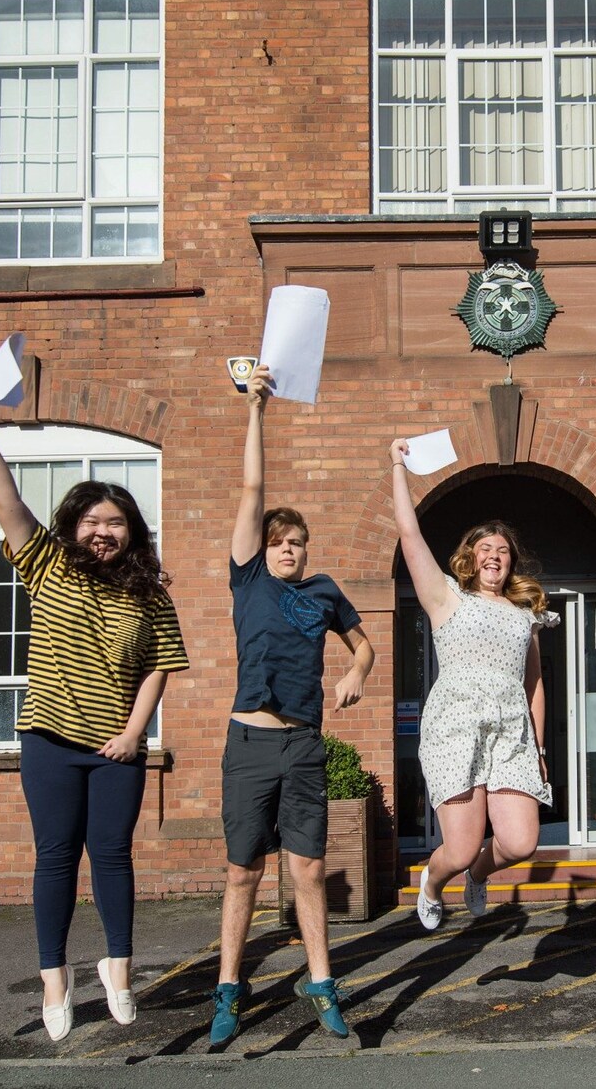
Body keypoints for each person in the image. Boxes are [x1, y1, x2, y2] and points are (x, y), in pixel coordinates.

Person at [0, 384, 188, 1041]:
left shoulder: (151, 592)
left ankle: (118, 968)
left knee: (112, 853)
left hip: (118, 745)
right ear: (74, 526)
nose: (103, 531)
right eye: (92, 521)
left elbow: (161, 663)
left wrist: (134, 732)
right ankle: (55, 978)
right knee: (56, 855)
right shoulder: (48, 565)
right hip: (50, 739)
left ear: (131, 530)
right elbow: (6, 498)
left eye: (115, 522)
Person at [209, 366, 374, 1047]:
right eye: (278, 538)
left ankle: (323, 984)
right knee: (244, 871)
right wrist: (256, 409)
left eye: (296, 540)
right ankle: (228, 989)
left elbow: (364, 647)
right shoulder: (248, 578)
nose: (286, 546)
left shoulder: (325, 590)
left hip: (303, 744)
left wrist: (354, 672)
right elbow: (254, 489)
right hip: (249, 743)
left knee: (306, 869)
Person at [390, 437, 552, 932]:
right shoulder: (446, 598)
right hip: (454, 729)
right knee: (458, 848)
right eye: (486, 548)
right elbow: (409, 533)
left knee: (521, 842)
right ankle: (435, 882)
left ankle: (479, 877)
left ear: (511, 562)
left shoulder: (525, 615)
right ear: (470, 557)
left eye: (503, 551)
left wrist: (539, 748)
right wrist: (397, 468)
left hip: (511, 735)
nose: (495, 557)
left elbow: (534, 683)